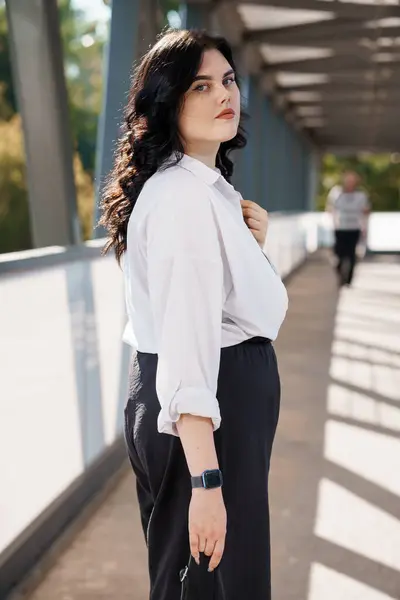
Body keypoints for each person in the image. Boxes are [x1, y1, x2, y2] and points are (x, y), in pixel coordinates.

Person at [99, 29, 288, 600]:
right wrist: (208, 480)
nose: (223, 94)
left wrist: (248, 244)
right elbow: (186, 346)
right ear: (169, 102)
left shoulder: (203, 189)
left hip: (211, 407)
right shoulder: (184, 198)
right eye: (200, 85)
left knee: (206, 582)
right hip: (207, 414)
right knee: (213, 584)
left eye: (227, 80)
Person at [326, 171, 370, 287]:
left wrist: (365, 225)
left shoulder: (361, 196)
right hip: (340, 228)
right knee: (339, 255)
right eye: (348, 180)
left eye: (352, 181)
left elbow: (366, 211)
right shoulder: (336, 194)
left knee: (351, 254)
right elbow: (330, 208)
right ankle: (340, 275)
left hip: (354, 228)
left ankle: (348, 280)